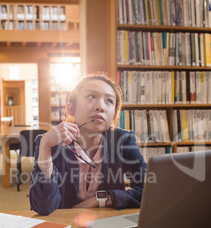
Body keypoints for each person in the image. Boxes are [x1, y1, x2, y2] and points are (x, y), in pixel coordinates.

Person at [30, 72, 147, 215]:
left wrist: (103, 198)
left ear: (114, 115)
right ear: (70, 108)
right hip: (64, 227)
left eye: (109, 101)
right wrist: (45, 145)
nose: (100, 107)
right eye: (92, 96)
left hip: (107, 222)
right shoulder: (50, 143)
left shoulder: (123, 140)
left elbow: (150, 189)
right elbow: (43, 208)